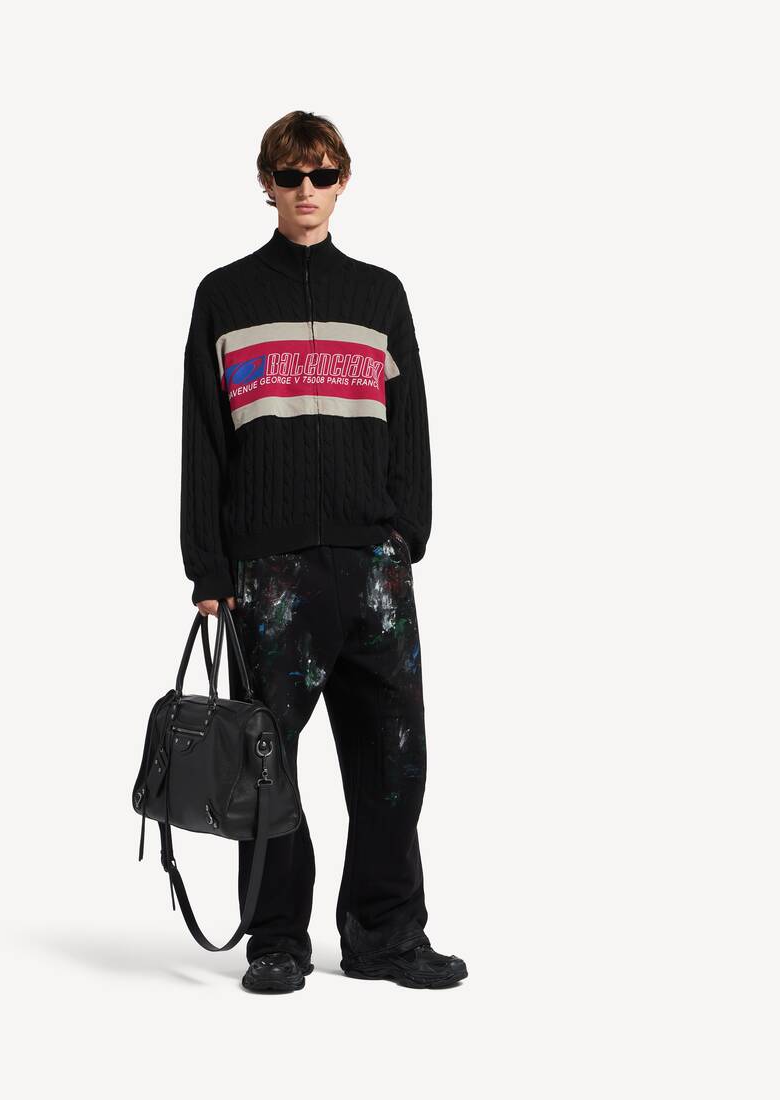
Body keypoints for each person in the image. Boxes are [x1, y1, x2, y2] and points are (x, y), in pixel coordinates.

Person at [179, 110, 467, 993]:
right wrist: (209, 567)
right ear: (266, 184)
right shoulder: (224, 296)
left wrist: (406, 534)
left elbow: (411, 427)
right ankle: (277, 939)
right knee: (265, 767)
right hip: (267, 577)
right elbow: (203, 441)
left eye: (322, 175)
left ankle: (387, 936)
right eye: (290, 175)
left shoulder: (380, 296)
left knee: (394, 761)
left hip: (374, 572)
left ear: (343, 182)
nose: (306, 190)